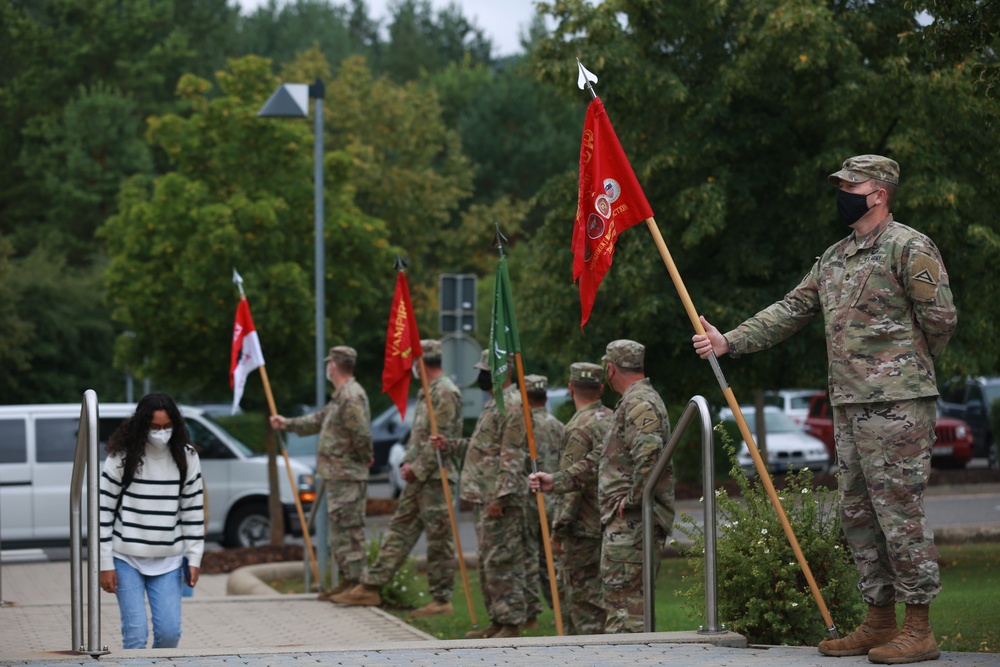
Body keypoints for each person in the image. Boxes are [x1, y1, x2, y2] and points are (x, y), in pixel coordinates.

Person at [691, 155, 956, 664]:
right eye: (841, 185)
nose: (842, 192)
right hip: (849, 404)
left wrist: (906, 368)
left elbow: (941, 319)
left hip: (898, 404)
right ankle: (878, 620)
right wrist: (731, 341)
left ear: (879, 192)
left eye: (851, 185)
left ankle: (918, 628)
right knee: (857, 515)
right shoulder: (835, 257)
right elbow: (793, 307)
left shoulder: (909, 246)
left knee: (898, 514)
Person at [530, 340, 675, 633]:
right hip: (627, 524)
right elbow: (601, 458)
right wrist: (556, 481)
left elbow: (650, 453)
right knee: (627, 607)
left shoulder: (638, 402)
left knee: (625, 614)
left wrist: (634, 499)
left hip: (631, 525)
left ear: (610, 368)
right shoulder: (631, 401)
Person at [332, 340, 463, 615]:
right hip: (419, 478)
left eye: (414, 361)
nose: (411, 367)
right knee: (399, 531)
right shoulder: (428, 392)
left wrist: (418, 467)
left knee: (439, 540)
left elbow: (443, 437)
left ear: (421, 362)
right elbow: (418, 436)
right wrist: (407, 462)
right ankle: (370, 587)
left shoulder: (446, 392)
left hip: (437, 479)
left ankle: (442, 600)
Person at [431, 349, 528, 639]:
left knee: (502, 560)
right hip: (483, 496)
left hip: (497, 498)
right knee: (488, 561)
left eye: (486, 368)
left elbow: (512, 455)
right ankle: (497, 620)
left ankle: (510, 623)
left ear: (504, 370)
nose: (482, 374)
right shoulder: (494, 404)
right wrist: (449, 444)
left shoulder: (511, 404)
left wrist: (501, 496)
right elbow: (483, 449)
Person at [99, 392, 205, 649]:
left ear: (176, 425)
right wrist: (104, 563)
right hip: (126, 558)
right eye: (154, 427)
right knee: (135, 636)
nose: (161, 432)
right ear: (141, 425)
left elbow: (192, 511)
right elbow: (102, 511)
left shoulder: (187, 457)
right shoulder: (121, 457)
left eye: (167, 426)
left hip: (168, 559)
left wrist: (194, 557)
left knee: (170, 634)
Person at [270, 345, 372, 597]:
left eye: (329, 364)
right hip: (338, 475)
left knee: (350, 531)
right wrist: (288, 424)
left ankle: (360, 585)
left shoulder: (351, 396)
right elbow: (318, 420)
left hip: (347, 474)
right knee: (339, 531)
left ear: (333, 366)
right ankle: (348, 582)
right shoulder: (340, 396)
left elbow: (361, 433)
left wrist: (365, 458)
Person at [549, 361, 612, 635]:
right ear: (600, 388)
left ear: (570, 388)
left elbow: (570, 484)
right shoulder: (613, 419)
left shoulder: (577, 427)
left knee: (583, 600)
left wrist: (558, 529)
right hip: (612, 520)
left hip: (582, 526)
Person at [522, 374, 564, 617]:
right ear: (546, 397)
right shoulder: (558, 426)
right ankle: (559, 608)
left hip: (529, 501)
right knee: (553, 561)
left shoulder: (523, 427)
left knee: (529, 558)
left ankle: (530, 614)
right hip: (554, 498)